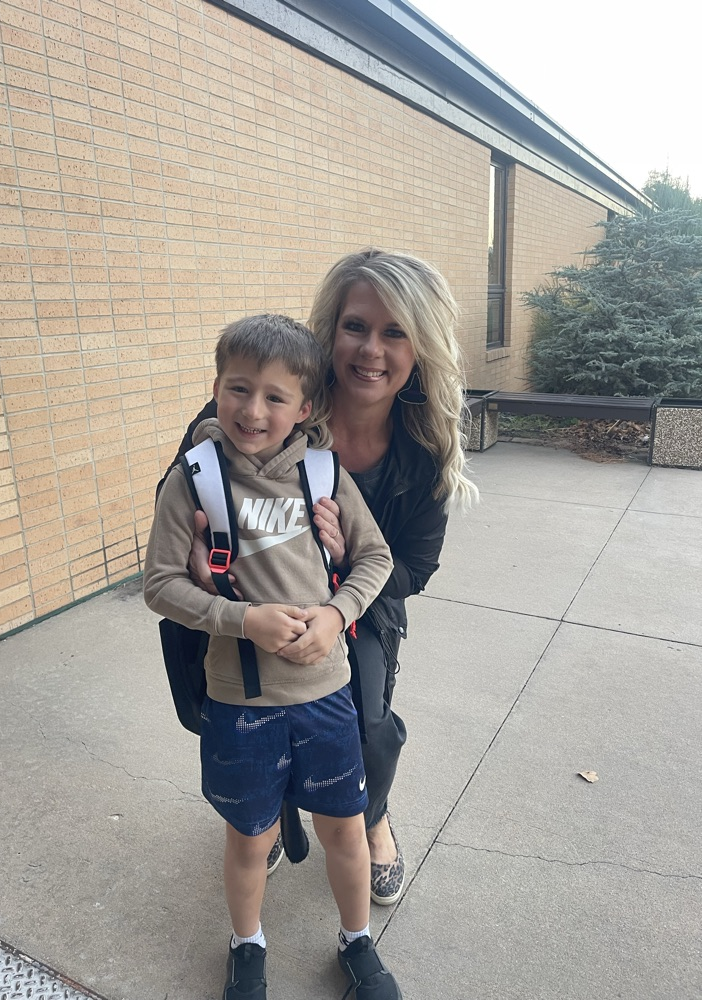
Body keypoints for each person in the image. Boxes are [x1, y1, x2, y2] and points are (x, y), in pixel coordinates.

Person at [167, 248, 477, 906]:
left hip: (361, 600)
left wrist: (339, 592)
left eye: (396, 332)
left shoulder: (422, 448)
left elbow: (414, 566)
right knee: (230, 712)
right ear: (330, 330)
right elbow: (191, 485)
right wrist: (202, 550)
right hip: (242, 595)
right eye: (357, 326)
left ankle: (371, 815)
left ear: (420, 347)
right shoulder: (271, 393)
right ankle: (268, 809)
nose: (372, 349)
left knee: (367, 729)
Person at [145, 314, 403, 1000]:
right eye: (237, 389)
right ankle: (247, 943)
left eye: (275, 396)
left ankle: (356, 942)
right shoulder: (194, 481)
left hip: (326, 697)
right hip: (242, 704)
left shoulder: (323, 474)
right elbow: (160, 585)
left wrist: (335, 611)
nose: (253, 410)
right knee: (248, 839)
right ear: (216, 388)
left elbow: (376, 557)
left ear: (306, 407)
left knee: (345, 834)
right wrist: (240, 619)